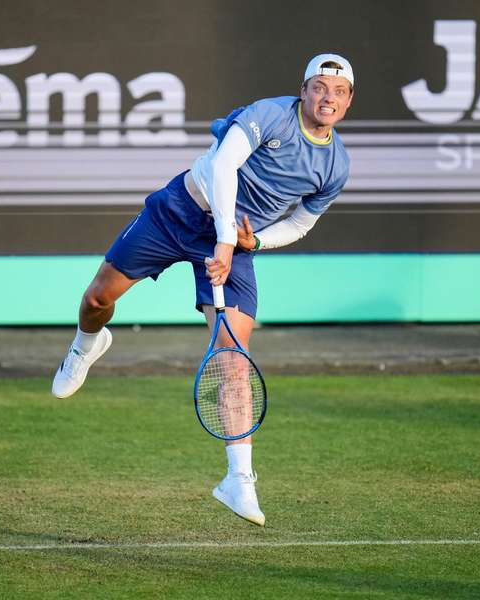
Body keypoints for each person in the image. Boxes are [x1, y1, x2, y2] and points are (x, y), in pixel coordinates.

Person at [51, 53, 354, 526]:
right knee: (97, 300)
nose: (327, 98)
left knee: (233, 358)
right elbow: (226, 165)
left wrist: (256, 241)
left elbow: (302, 222)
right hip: (180, 213)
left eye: (337, 92)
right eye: (319, 87)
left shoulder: (335, 165)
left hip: (232, 246)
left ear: (348, 100)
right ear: (304, 90)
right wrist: (228, 238)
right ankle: (85, 346)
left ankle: (238, 479)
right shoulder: (269, 114)